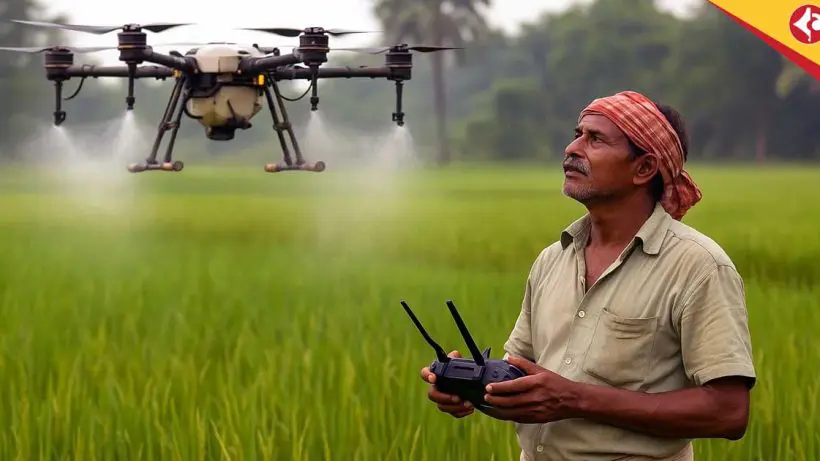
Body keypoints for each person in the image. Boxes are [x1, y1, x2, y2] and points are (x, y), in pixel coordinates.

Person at [419, 90, 756, 461]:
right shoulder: (552, 260)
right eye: (577, 133)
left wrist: (572, 398)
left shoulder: (698, 266)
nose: (572, 148)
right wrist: (467, 386)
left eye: (595, 139)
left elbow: (728, 412)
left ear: (643, 168)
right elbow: (522, 384)